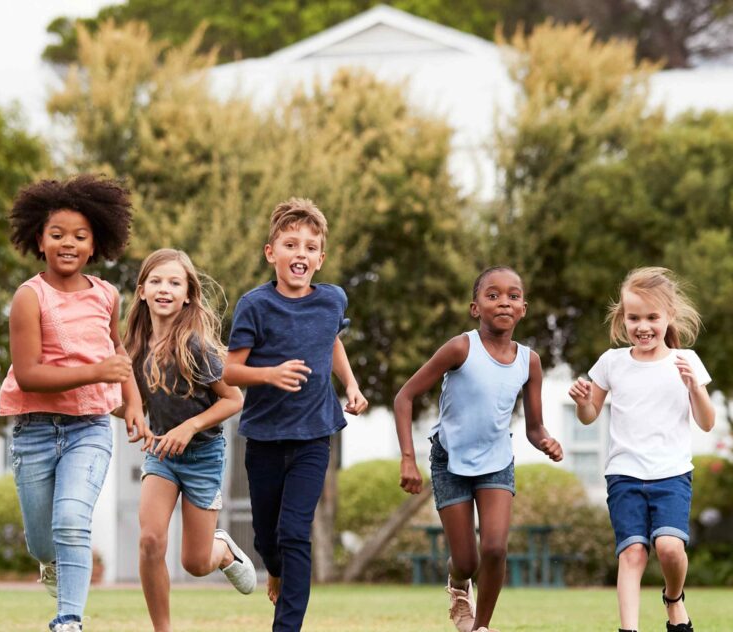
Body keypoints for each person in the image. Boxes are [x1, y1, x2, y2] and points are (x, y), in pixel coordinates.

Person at [0, 175, 146, 632]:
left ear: (95, 241)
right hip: (35, 429)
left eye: (80, 236)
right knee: (44, 544)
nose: (69, 243)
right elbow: (29, 374)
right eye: (57, 234)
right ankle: (51, 567)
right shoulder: (29, 297)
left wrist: (133, 404)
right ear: (39, 240)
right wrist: (94, 373)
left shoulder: (106, 295)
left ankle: (68, 620)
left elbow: (118, 355)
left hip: (89, 428)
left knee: (71, 523)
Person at [223, 198, 368, 632]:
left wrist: (352, 385)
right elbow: (229, 369)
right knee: (268, 538)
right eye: (290, 244)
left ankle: (286, 628)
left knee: (293, 533)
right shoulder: (255, 305)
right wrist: (269, 374)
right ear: (272, 253)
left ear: (320, 259)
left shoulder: (332, 301)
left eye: (309, 247)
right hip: (265, 438)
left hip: (313, 436)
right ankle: (274, 568)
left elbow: (332, 342)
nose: (299, 254)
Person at [394, 266, 563, 632]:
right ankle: (458, 586)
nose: (504, 301)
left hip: (497, 461)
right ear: (476, 308)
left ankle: (481, 627)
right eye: (493, 295)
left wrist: (546, 441)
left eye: (513, 296)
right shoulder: (461, 347)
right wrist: (408, 459)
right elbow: (404, 396)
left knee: (495, 549)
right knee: (468, 560)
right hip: (450, 459)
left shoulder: (529, 361)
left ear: (523, 308)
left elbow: (534, 427)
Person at [568, 267, 715, 632]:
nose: (643, 326)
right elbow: (589, 417)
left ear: (669, 317)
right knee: (632, 553)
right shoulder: (612, 363)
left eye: (652, 317)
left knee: (669, 548)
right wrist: (584, 402)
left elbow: (707, 422)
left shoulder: (687, 361)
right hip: (624, 475)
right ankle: (628, 629)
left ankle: (674, 598)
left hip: (671, 475)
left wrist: (694, 387)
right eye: (634, 318)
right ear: (622, 318)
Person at [124, 248, 256, 632]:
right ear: (142, 291)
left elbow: (233, 399)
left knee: (195, 564)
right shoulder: (135, 349)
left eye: (174, 282)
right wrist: (125, 413)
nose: (164, 289)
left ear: (187, 295)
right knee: (150, 540)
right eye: (156, 281)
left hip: (203, 455)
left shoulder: (195, 347)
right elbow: (135, 403)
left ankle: (224, 550)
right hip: (161, 455)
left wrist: (189, 427)